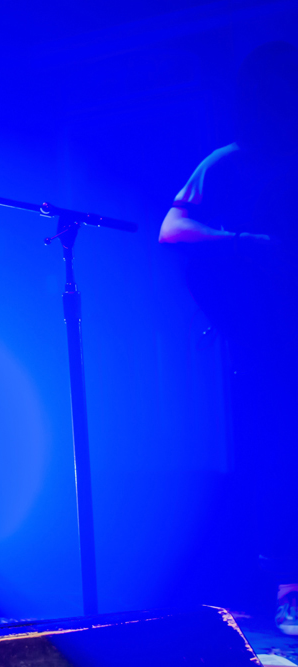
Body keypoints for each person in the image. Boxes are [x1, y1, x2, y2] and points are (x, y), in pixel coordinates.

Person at [159, 41, 298, 634]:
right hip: (267, 344)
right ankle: (288, 592)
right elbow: (173, 229)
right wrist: (246, 244)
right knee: (279, 460)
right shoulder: (228, 164)